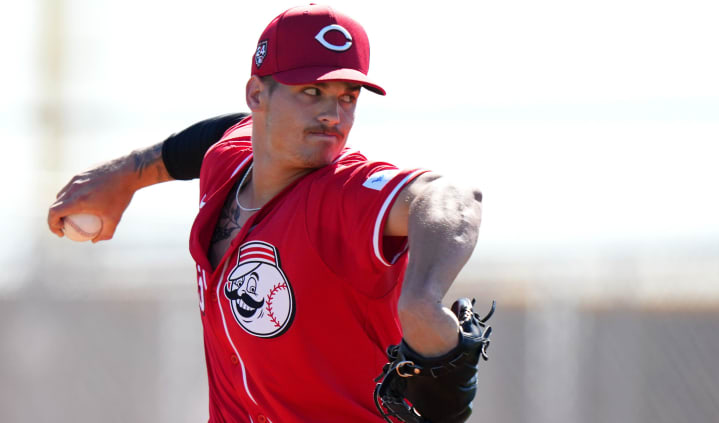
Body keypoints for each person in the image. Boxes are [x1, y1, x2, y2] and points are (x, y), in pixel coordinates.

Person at [48, 5, 484, 422]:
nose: (332, 114)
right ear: (257, 94)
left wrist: (421, 301)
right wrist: (125, 175)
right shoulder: (232, 159)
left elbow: (450, 195)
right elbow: (211, 137)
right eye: (311, 92)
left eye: (347, 96)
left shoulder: (343, 196)